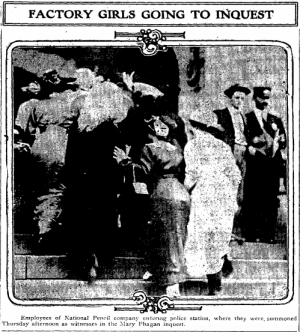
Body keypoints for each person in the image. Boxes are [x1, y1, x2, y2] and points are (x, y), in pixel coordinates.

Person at [114, 90, 190, 297]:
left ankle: (168, 280)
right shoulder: (178, 149)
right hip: (181, 192)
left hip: (162, 192)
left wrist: (124, 161)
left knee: (161, 235)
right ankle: (172, 277)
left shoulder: (150, 147)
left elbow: (141, 171)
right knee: (177, 235)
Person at [61, 77, 133, 281]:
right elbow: (115, 159)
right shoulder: (111, 129)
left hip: (80, 182)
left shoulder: (78, 127)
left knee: (81, 221)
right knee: (101, 221)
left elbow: (69, 159)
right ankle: (98, 259)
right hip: (104, 182)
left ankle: (85, 260)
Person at [14, 68, 94, 249]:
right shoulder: (73, 100)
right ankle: (46, 230)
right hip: (62, 141)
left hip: (40, 142)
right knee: (56, 187)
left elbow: (20, 129)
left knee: (44, 187)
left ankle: (43, 227)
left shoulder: (32, 103)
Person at [183, 114, 241, 296]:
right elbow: (235, 175)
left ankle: (214, 282)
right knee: (217, 236)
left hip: (206, 193)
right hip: (224, 193)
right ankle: (216, 284)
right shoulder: (222, 145)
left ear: (191, 127)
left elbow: (191, 175)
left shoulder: (193, 145)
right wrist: (233, 197)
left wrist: (182, 190)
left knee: (203, 235)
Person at [243, 87, 286, 242]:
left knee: (270, 199)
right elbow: (243, 138)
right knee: (253, 197)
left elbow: (283, 141)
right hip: (255, 165)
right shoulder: (246, 118)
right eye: (262, 98)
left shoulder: (275, 119)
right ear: (255, 98)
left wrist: (279, 141)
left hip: (271, 165)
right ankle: (251, 234)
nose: (266, 101)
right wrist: (250, 148)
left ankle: (269, 234)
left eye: (268, 98)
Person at [213, 84, 251, 238]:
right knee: (225, 189)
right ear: (229, 99)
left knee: (239, 191)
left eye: (242, 98)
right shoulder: (220, 114)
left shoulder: (244, 116)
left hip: (243, 153)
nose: (240, 101)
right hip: (229, 152)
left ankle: (234, 229)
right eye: (237, 98)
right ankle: (221, 229)